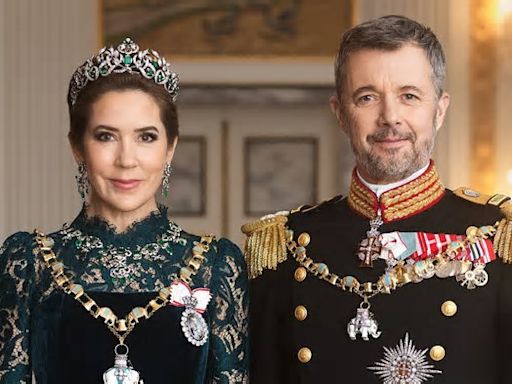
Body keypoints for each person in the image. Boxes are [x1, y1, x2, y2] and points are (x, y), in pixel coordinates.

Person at [243, 15, 512, 383]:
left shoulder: (498, 236)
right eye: (367, 97)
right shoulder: (284, 245)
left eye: (409, 96)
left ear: (440, 109)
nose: (390, 117)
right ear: (340, 114)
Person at [0, 38, 249, 384]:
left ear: (170, 148)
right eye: (106, 136)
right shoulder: (27, 262)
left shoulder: (217, 263)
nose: (126, 160)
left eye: (146, 137)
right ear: (77, 147)